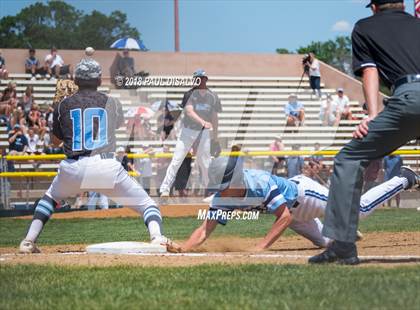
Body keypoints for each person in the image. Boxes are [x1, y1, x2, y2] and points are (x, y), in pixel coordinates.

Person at [18, 58, 179, 253]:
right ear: (99, 80)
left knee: (50, 198)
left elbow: (55, 142)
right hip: (106, 166)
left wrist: (59, 105)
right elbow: (116, 124)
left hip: (73, 166)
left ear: (76, 80)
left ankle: (28, 241)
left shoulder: (63, 105)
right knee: (147, 205)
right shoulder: (112, 102)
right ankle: (157, 237)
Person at [310, 0, 420, 265]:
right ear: (402, 5)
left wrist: (372, 115)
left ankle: (343, 246)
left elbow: (370, 71)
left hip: (409, 98)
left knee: (349, 158)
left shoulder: (364, 27)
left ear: (374, 7)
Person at [180, 157, 419, 252]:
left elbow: (282, 217)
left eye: (223, 183)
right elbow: (204, 230)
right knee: (326, 244)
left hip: (305, 197)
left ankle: (404, 178)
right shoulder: (224, 196)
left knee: (360, 210)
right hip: (294, 214)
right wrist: (183, 249)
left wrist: (260, 247)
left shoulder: (259, 182)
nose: (219, 189)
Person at [159, 69, 222, 197]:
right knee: (177, 159)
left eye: (201, 78)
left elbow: (215, 118)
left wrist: (215, 138)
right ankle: (165, 189)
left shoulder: (213, 96)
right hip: (188, 132)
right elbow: (189, 111)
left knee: (205, 163)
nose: (198, 80)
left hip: (203, 133)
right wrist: (202, 121)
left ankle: (210, 192)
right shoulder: (189, 94)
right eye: (196, 78)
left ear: (205, 79)